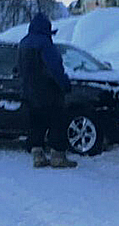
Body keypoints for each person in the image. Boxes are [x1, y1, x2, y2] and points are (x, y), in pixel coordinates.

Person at [17, 13, 77, 168]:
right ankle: (58, 156)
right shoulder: (45, 44)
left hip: (29, 94)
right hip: (49, 93)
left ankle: (38, 156)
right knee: (57, 122)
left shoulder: (23, 44)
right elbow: (55, 68)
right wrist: (64, 85)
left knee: (36, 124)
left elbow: (20, 69)